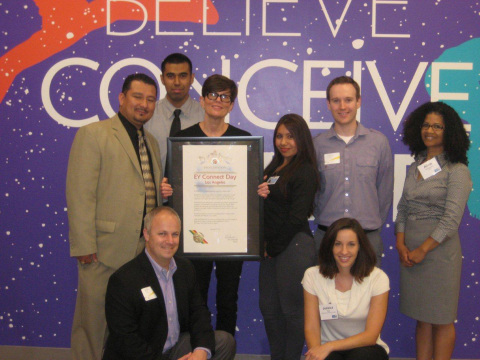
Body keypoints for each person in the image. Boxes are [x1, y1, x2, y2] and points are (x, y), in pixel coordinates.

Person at [66, 73, 162, 360]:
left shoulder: (152, 142)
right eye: (137, 97)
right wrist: (84, 246)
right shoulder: (93, 134)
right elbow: (80, 194)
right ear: (121, 98)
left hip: (142, 252)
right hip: (103, 252)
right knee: (93, 327)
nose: (144, 104)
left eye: (150, 99)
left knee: (133, 326)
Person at [162, 74, 250, 337]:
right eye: (212, 95)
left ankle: (225, 350)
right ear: (201, 100)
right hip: (194, 235)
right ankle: (194, 350)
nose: (218, 101)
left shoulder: (243, 139)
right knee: (194, 297)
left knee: (227, 299)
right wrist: (167, 191)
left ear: (231, 105)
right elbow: (172, 185)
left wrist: (258, 192)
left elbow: (246, 190)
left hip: (230, 236)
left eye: (225, 97)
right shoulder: (182, 138)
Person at [103, 207, 236, 360]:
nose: (170, 241)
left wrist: (201, 352)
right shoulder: (124, 280)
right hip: (142, 355)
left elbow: (198, 313)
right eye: (162, 234)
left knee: (224, 342)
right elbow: (125, 339)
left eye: (175, 234)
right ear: (146, 234)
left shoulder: (185, 269)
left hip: (175, 350)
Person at [395, 101, 472, 360]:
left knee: (441, 319)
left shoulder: (457, 170)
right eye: (426, 125)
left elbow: (451, 220)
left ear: (449, 132)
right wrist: (401, 244)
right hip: (410, 252)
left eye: (437, 126)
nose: (430, 130)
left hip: (438, 255)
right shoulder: (416, 165)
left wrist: (422, 250)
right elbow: (403, 208)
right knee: (422, 318)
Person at [256, 114, 320, 359]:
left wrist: (272, 247)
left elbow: (296, 217)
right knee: (270, 309)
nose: (284, 141)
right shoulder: (273, 167)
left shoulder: (304, 170)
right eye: (280, 136)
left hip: (293, 246)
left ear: (301, 138)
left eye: (290, 136)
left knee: (292, 311)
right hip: (272, 248)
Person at [313, 76, 393, 264]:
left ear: (358, 102)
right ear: (328, 104)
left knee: (369, 294)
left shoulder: (378, 143)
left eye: (348, 100)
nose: (342, 107)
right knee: (325, 294)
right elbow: (314, 192)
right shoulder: (317, 145)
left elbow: (385, 193)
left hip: (367, 240)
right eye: (336, 100)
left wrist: (371, 227)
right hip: (327, 239)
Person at [302, 218, 390, 360]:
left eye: (351, 244)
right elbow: (311, 327)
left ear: (360, 246)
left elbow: (371, 336)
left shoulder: (378, 278)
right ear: (330, 246)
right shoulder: (312, 276)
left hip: (366, 348)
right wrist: (316, 353)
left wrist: (331, 346)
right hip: (327, 349)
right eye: (338, 244)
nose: (344, 251)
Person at [145, 53, 204, 171]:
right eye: (171, 76)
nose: (177, 82)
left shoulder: (205, 116)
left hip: (197, 187)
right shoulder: (147, 115)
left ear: (192, 78)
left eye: (183, 76)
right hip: (155, 188)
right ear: (162, 79)